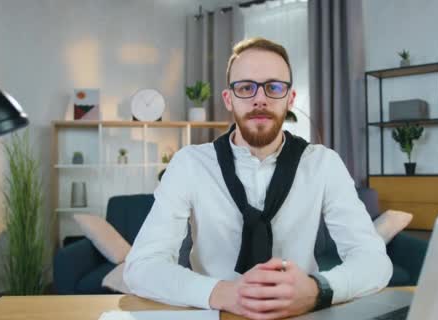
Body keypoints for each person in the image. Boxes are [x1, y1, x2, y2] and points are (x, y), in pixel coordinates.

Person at [124, 37, 392, 320]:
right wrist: (224, 293)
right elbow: (141, 267)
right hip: (214, 313)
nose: (260, 98)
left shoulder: (324, 164)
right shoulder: (189, 164)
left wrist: (317, 290)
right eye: (245, 87)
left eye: (274, 87)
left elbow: (374, 262)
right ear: (229, 98)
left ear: (290, 98)